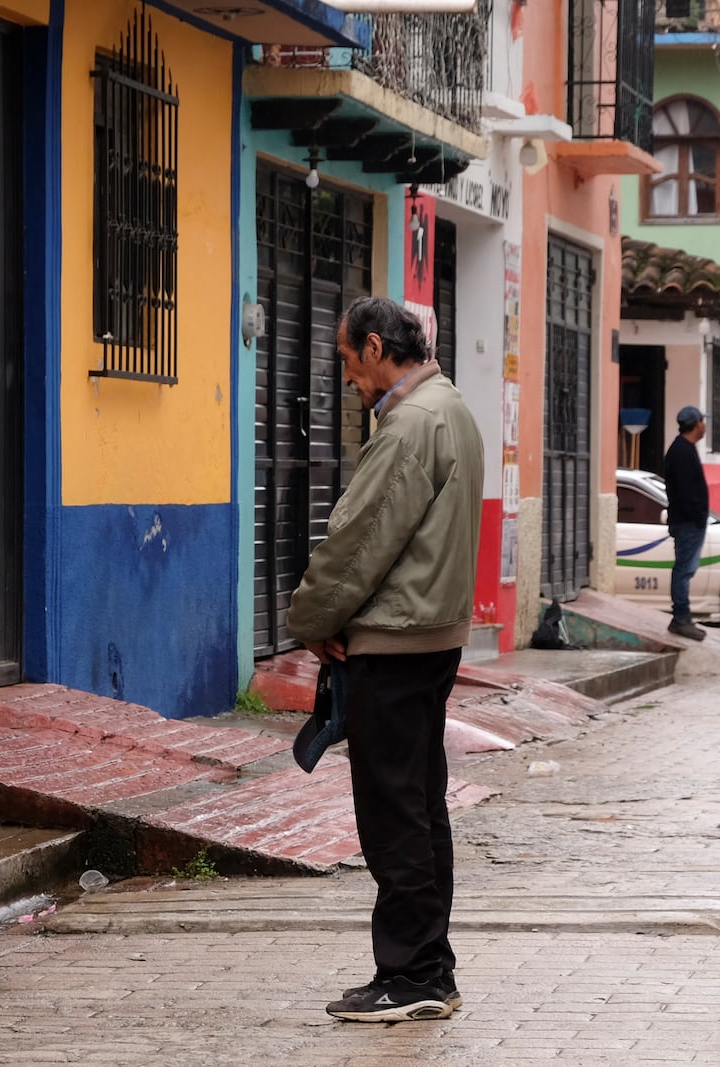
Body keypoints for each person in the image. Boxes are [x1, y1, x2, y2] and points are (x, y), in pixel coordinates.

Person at [287, 296, 484, 1024]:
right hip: (431, 638)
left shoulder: (411, 422)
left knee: (394, 812)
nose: (349, 378)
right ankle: (427, 966)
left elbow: (358, 538)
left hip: (397, 642)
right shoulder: (452, 408)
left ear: (375, 348)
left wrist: (310, 619)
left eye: (347, 361)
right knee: (421, 806)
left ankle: (413, 973)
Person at [664, 405, 709, 642]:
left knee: (685, 570)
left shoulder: (685, 449)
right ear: (697, 424)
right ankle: (681, 618)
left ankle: (682, 618)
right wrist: (697, 515)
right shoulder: (681, 452)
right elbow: (685, 491)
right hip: (688, 522)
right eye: (703, 421)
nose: (705, 425)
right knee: (683, 570)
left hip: (690, 520)